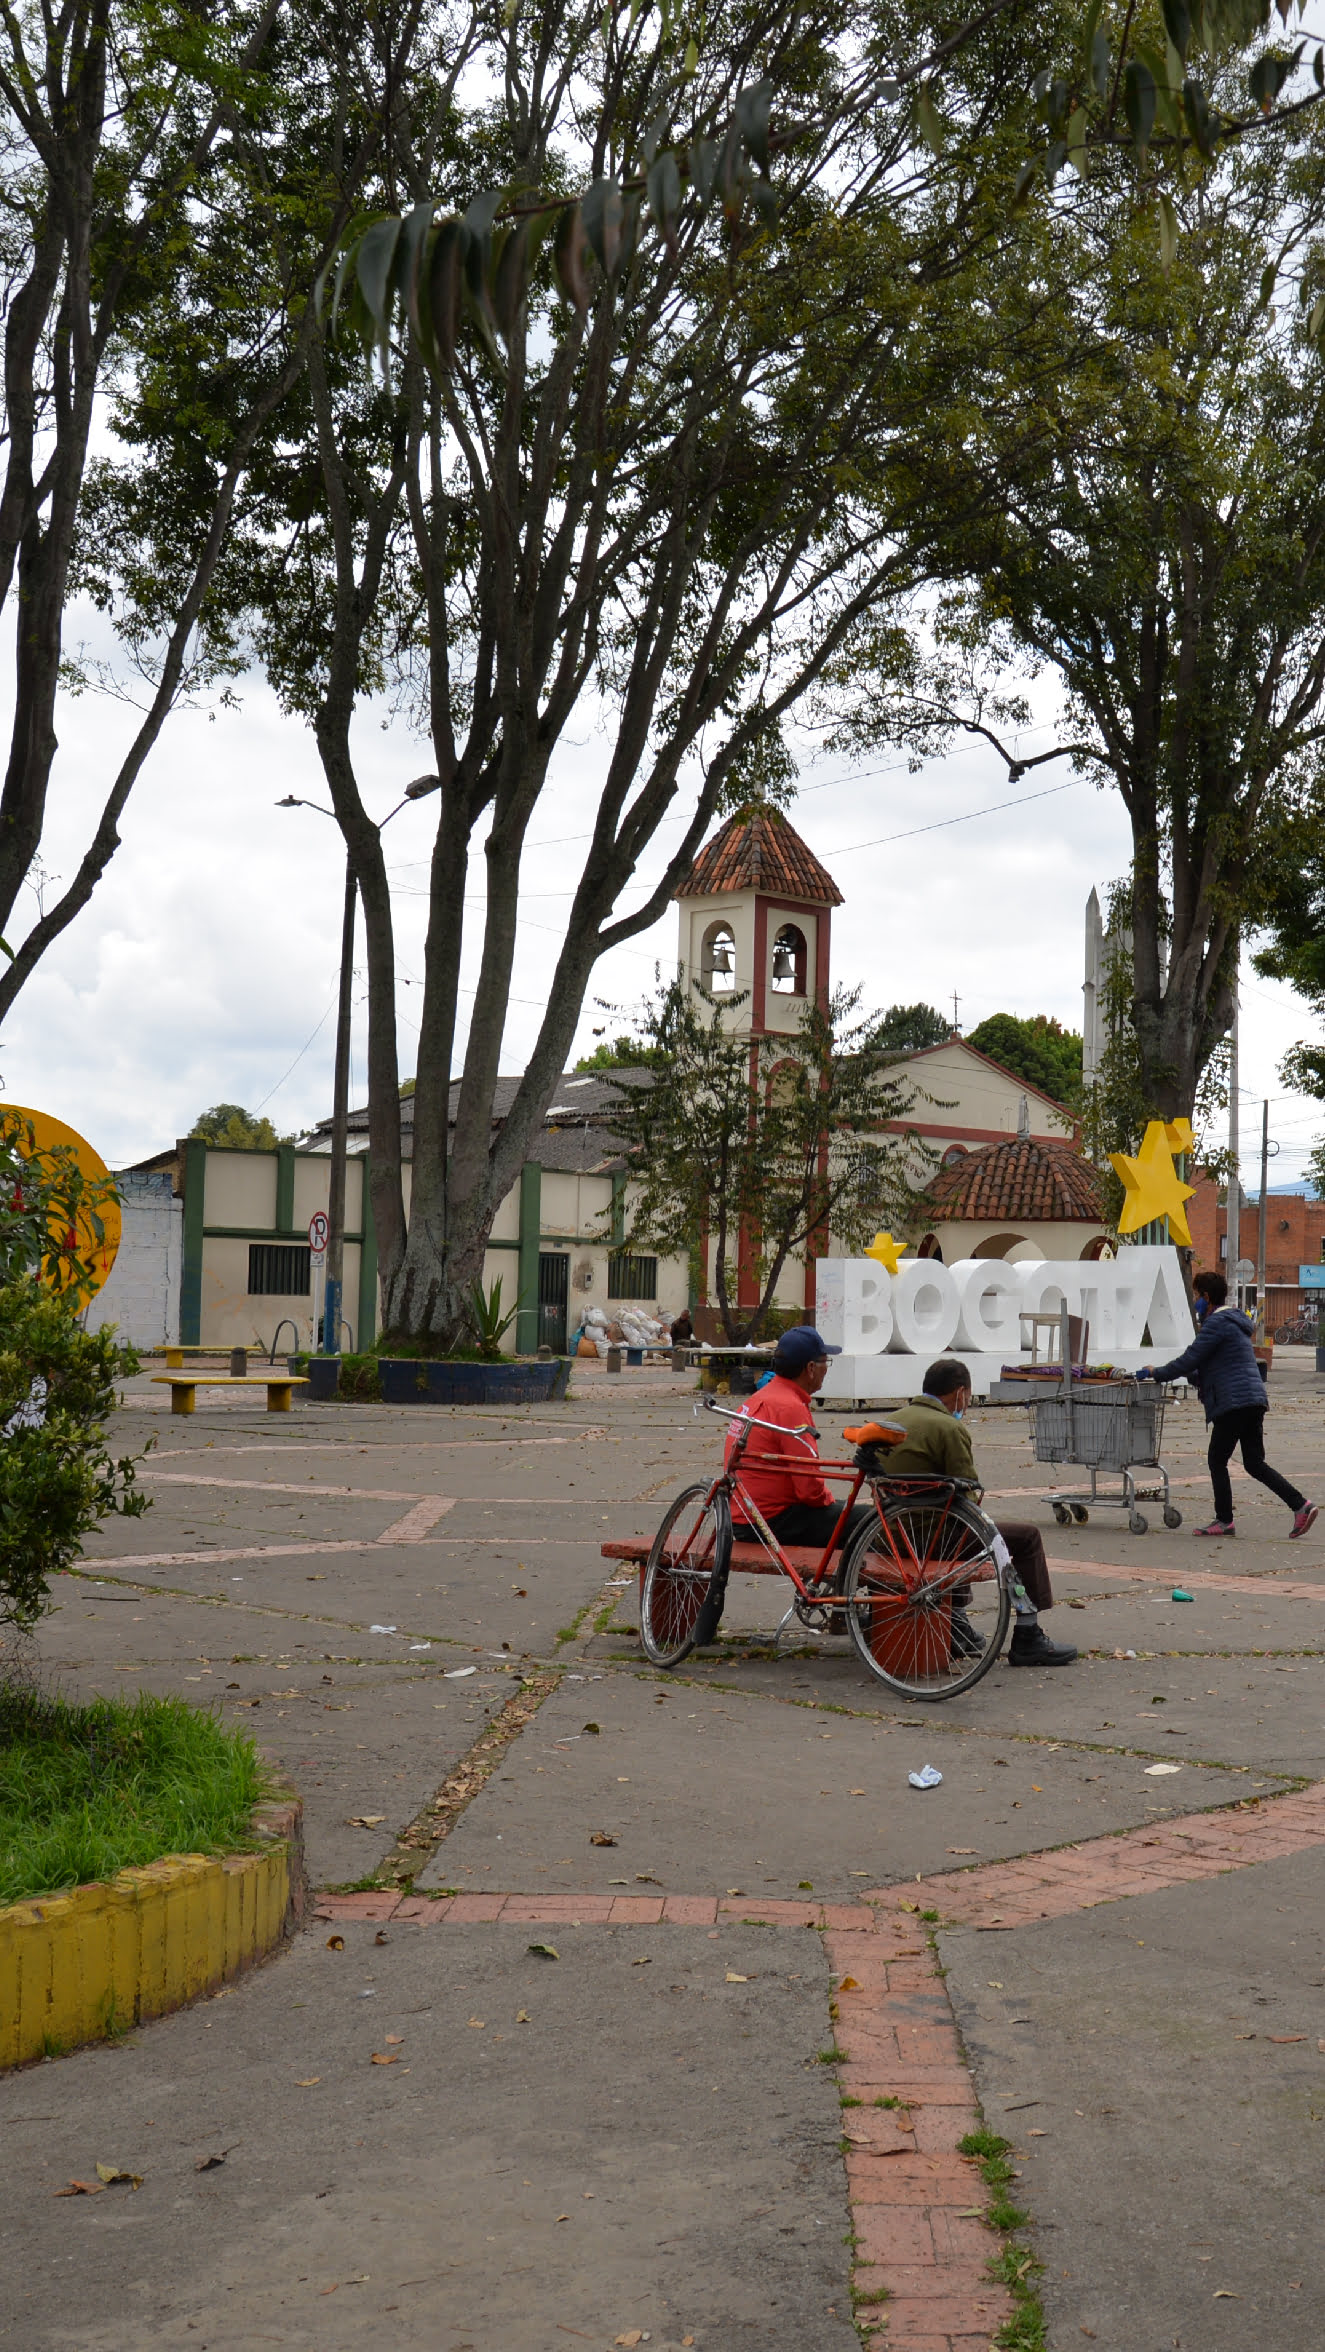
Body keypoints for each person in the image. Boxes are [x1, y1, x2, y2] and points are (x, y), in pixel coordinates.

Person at [882, 1357, 1077, 1668]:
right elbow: (967, 1497)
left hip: (891, 1533)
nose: (967, 1403)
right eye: (968, 1397)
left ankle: (956, 1623)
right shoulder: (948, 1427)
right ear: (960, 1393)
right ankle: (1028, 1634)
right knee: (1021, 1537)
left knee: (962, 1528)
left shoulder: (891, 1421)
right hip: (933, 1536)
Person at [1140, 1271, 1317, 1540]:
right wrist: (1193, 1375)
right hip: (1252, 1399)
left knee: (1216, 1460)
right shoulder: (1234, 1324)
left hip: (1233, 1402)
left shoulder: (1217, 1324)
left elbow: (1189, 1359)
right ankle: (1301, 1505)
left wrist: (1156, 1372)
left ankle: (1224, 1520)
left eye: (1197, 1295)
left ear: (1207, 1297)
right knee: (1255, 1463)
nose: (1196, 1300)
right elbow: (1211, 1366)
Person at [723, 1325, 875, 1559]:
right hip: (771, 1522)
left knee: (846, 1515)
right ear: (811, 1368)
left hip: (746, 1514)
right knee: (873, 1521)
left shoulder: (762, 1397)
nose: (827, 1369)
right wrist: (829, 1500)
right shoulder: (790, 1407)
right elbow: (809, 1490)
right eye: (826, 1362)